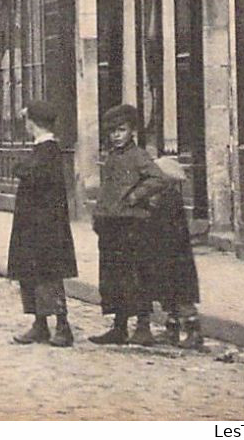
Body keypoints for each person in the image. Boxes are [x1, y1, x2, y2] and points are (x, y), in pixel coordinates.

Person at [89, 103, 170, 346]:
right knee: (113, 276)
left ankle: (143, 326)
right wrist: (99, 214)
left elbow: (159, 178)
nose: (116, 135)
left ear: (131, 131)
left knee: (136, 275)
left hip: (132, 224)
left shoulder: (139, 155)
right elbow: (107, 190)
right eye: (112, 131)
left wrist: (135, 196)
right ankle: (119, 326)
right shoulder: (112, 157)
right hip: (111, 223)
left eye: (121, 130)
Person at [6, 99, 76, 348]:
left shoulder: (48, 151)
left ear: (31, 124)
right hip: (33, 225)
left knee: (48, 276)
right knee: (31, 274)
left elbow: (35, 177)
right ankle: (40, 325)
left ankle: (63, 327)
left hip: (46, 226)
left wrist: (20, 168)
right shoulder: (41, 151)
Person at [146, 155, 202, 349]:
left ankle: (194, 331)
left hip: (175, 255)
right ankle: (172, 329)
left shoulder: (169, 199)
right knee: (167, 294)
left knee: (181, 295)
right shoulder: (161, 197)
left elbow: (169, 229)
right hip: (165, 253)